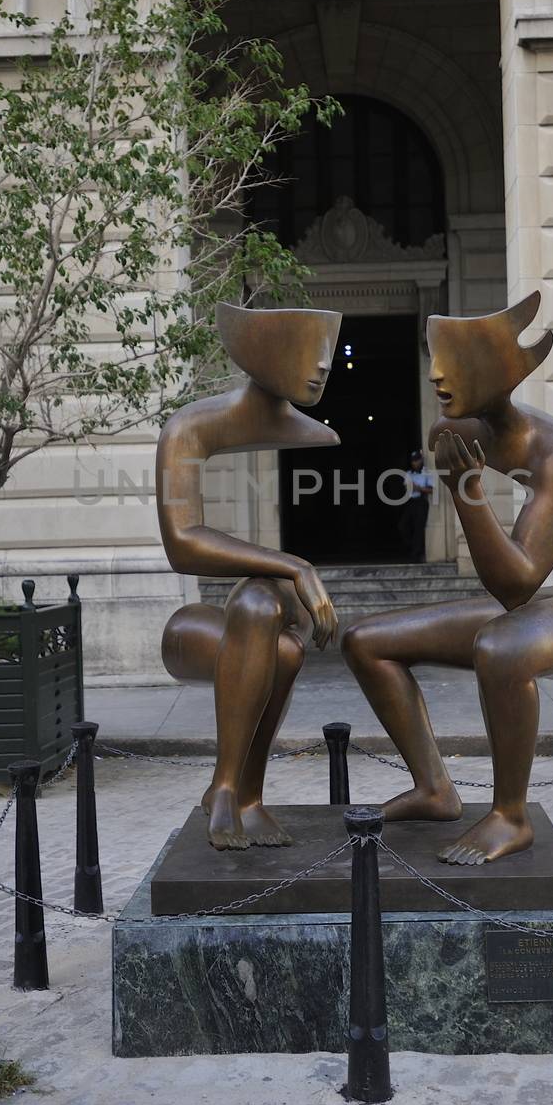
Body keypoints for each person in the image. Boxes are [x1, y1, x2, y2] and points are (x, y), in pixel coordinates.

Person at [343, 294, 553, 865]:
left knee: (501, 647)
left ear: (496, 372)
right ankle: (434, 789)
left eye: (454, 361)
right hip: (527, 602)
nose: (436, 374)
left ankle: (511, 815)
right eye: (433, 357)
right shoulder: (461, 429)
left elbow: (515, 587)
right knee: (365, 642)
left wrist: (466, 490)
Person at [156, 302, 342, 850]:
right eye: (313, 348)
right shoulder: (189, 427)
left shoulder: (316, 433)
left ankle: (239, 794)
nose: (327, 364)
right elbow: (182, 542)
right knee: (258, 603)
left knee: (277, 636)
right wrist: (293, 566)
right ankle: (233, 789)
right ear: (263, 351)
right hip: (192, 631)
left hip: (268, 631)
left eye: (331, 346)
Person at [399, 449, 433, 562]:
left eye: (417, 460)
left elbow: (431, 489)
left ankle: (416, 554)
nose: (415, 463)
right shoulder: (409, 474)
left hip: (421, 502)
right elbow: (406, 487)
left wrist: (419, 488)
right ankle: (412, 548)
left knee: (419, 528)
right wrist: (411, 487)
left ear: (421, 460)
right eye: (413, 461)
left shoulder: (427, 473)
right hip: (410, 502)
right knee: (403, 526)